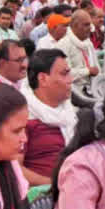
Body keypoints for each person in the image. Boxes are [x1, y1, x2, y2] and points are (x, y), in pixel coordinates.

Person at [22, 49, 76, 186]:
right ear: (43, 79)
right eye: (64, 74)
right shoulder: (23, 117)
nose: (71, 80)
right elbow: (14, 169)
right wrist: (54, 185)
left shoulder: (69, 111)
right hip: (42, 199)